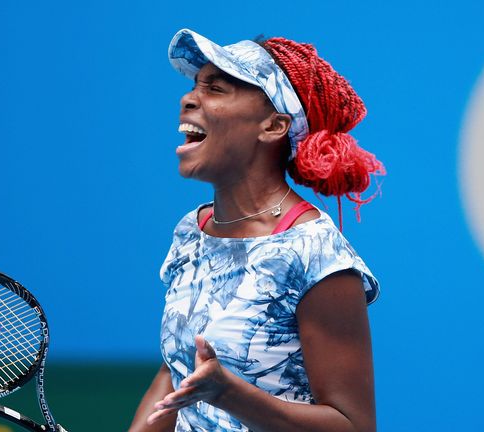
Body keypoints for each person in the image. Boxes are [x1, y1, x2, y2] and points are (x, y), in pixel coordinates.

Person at [129, 29, 385, 432]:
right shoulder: (191, 232)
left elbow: (353, 426)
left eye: (216, 88)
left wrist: (228, 394)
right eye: (195, 86)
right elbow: (175, 374)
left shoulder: (316, 253)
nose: (188, 99)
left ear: (273, 126)